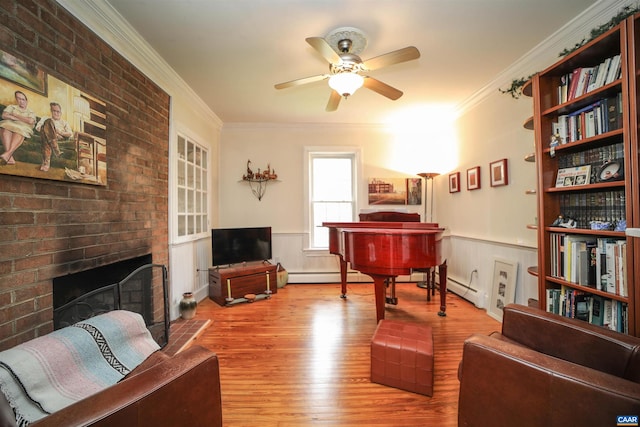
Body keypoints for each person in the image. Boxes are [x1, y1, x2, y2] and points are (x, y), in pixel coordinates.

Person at [0, 90, 36, 165]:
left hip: (24, 127)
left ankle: (7, 154)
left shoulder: (30, 111)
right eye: (18, 99)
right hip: (10, 123)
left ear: (26, 101)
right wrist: (21, 119)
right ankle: (9, 156)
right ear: (16, 99)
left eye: (23, 99)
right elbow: (4, 115)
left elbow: (30, 121)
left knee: (19, 130)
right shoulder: (12, 107)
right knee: (4, 127)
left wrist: (15, 115)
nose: (21, 101)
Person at [35, 102, 73, 171]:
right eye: (54, 111)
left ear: (61, 113)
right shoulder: (45, 118)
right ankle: (56, 150)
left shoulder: (64, 122)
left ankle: (46, 163)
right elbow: (38, 128)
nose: (56, 113)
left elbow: (70, 133)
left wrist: (59, 132)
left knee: (47, 137)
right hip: (47, 136)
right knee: (48, 122)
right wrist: (49, 130)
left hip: (59, 137)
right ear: (51, 111)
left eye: (58, 111)